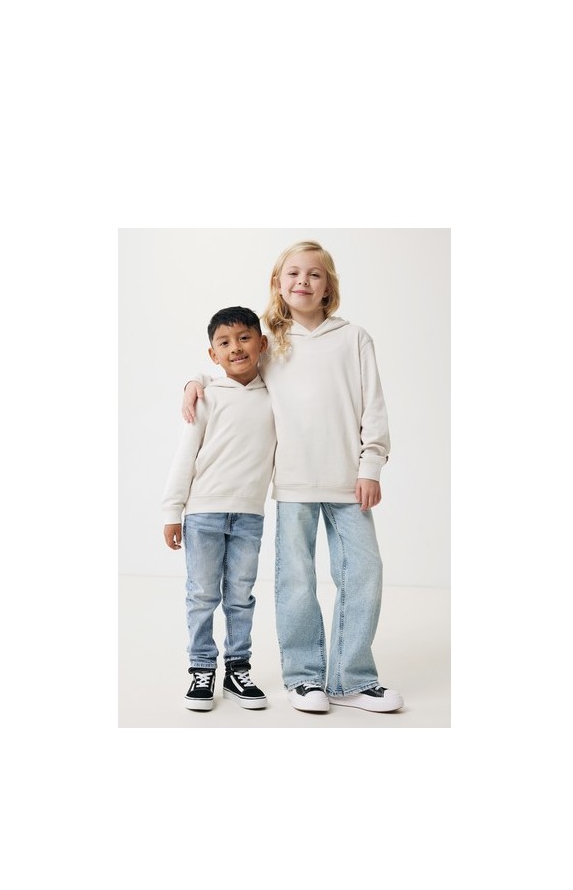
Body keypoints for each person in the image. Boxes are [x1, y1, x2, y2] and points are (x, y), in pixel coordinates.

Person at [182, 242, 403, 713]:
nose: (303, 281)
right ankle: (304, 679)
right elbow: (232, 364)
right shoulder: (270, 343)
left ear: (328, 286)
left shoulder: (354, 338)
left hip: (350, 481)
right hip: (293, 484)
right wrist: (194, 380)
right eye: (293, 274)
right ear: (278, 285)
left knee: (364, 574)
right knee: (297, 581)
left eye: (314, 274)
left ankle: (352, 679)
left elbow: (374, 406)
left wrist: (371, 465)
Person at [162, 306, 276, 712]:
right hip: (203, 513)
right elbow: (185, 455)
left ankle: (237, 669)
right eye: (224, 343)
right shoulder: (206, 395)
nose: (236, 348)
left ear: (262, 344)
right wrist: (172, 511)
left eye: (244, 338)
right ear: (213, 354)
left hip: (249, 514)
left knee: (241, 596)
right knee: (202, 594)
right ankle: (201, 667)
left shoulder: (275, 395)